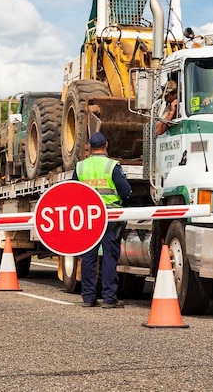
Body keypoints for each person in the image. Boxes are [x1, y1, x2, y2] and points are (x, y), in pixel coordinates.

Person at [72, 132, 132, 308]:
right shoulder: (112, 166)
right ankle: (109, 298)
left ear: (89, 147)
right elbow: (125, 191)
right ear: (106, 145)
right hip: (110, 217)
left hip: (89, 217)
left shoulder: (81, 167)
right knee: (109, 257)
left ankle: (89, 298)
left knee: (88, 257)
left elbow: (73, 190)